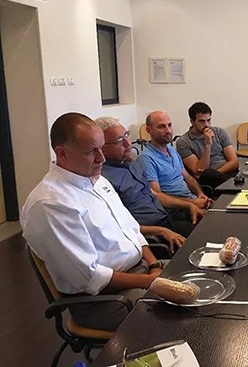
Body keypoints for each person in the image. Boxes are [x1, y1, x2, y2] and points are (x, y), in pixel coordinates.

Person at [21, 113, 164, 331]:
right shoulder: (51, 203)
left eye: (101, 148)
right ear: (62, 153)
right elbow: (90, 278)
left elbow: (132, 230)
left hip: (141, 273)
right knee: (180, 316)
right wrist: (152, 281)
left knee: (199, 278)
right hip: (103, 300)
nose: (102, 158)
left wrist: (154, 265)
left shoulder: (97, 180)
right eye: (91, 151)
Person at [96, 117, 203, 250]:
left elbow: (154, 194)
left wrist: (189, 205)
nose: (128, 143)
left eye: (127, 135)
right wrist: (161, 231)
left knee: (212, 228)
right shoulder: (103, 180)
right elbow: (119, 226)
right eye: (119, 141)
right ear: (102, 148)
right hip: (150, 236)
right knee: (205, 243)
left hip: (166, 220)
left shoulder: (131, 163)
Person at [137, 111, 213, 210]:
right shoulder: (146, 158)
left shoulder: (171, 150)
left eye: (169, 125)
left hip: (191, 200)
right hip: (177, 209)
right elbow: (158, 196)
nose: (168, 130)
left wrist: (201, 195)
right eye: (161, 127)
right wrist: (193, 203)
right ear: (149, 130)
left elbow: (188, 178)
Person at [176, 102, 239, 188]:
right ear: (192, 121)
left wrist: (216, 174)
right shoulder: (183, 142)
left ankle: (235, 184)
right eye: (201, 121)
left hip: (228, 173)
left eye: (208, 120)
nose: (206, 125)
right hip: (208, 181)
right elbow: (199, 171)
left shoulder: (219, 132)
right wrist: (207, 145)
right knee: (207, 174)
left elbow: (234, 162)